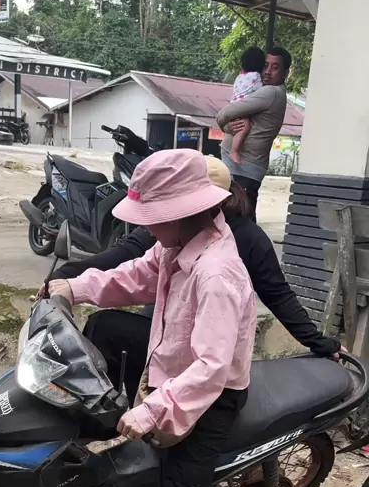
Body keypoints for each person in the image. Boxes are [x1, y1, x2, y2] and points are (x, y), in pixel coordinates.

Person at [49, 148, 257, 487]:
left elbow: (210, 368)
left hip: (209, 396)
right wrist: (75, 287)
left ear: (184, 214)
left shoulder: (217, 274)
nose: (146, 227)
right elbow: (132, 277)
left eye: (154, 217)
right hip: (174, 380)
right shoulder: (176, 250)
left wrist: (149, 410)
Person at [44, 158, 340, 406]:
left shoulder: (217, 263)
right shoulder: (172, 238)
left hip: (202, 359)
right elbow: (131, 266)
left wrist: (319, 343)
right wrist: (71, 281)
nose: (147, 226)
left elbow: (214, 363)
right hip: (168, 334)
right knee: (105, 327)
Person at [216, 47, 292, 214]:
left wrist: (223, 124)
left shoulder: (270, 92)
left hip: (244, 168)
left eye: (275, 67)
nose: (268, 71)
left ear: (285, 73)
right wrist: (228, 127)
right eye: (265, 65)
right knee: (237, 217)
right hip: (241, 167)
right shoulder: (264, 89)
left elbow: (225, 113)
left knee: (239, 218)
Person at [229, 46, 266, 165]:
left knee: (238, 128)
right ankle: (234, 150)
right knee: (244, 127)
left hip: (234, 104)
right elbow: (260, 90)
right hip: (243, 107)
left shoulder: (240, 76)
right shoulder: (256, 76)